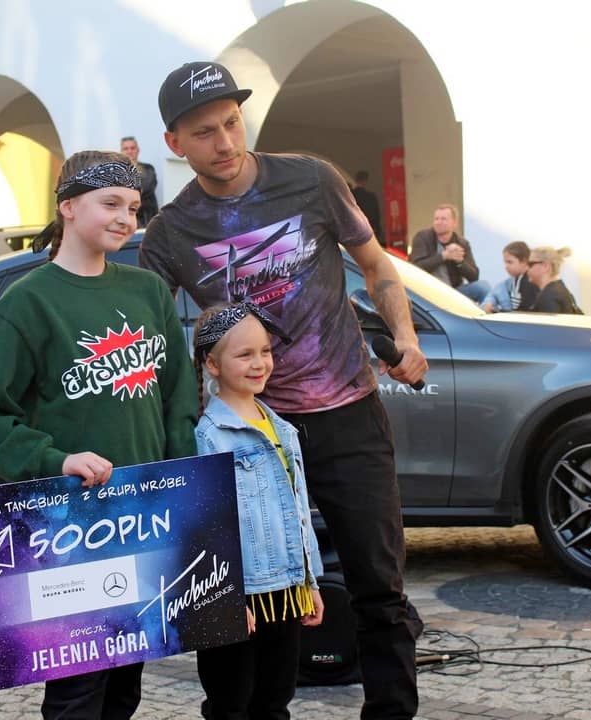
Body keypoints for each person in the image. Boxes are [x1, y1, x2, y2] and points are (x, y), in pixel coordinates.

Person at [140, 60, 427, 720]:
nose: (225, 142)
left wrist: (404, 335)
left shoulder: (310, 178)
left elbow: (375, 263)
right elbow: (151, 332)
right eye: (204, 132)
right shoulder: (173, 231)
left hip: (347, 411)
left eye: (232, 123)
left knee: (379, 586)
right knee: (250, 596)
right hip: (250, 434)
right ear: (174, 143)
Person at [0, 150, 199, 720]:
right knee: (78, 689)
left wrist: (181, 481)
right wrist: (55, 459)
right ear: (68, 206)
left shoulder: (149, 293)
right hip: (71, 527)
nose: (125, 218)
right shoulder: (27, 303)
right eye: (110, 204)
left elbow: (179, 401)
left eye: (133, 207)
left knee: (126, 686)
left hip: (147, 517)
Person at [192, 301, 325, 720]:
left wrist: (310, 582)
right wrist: (225, 597)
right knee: (230, 703)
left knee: (275, 700)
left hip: (286, 591)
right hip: (238, 595)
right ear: (212, 364)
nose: (259, 363)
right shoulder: (210, 436)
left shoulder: (282, 428)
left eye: (265, 351)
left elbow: (298, 511)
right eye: (245, 354)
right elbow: (207, 526)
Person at [409, 204, 491, 304]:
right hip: (429, 292)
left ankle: (484, 313)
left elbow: (474, 277)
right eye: (436, 219)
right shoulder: (423, 237)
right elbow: (415, 267)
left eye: (443, 219)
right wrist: (443, 256)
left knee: (483, 286)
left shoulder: (462, 243)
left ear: (454, 223)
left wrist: (460, 262)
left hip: (453, 292)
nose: (438, 222)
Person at [480, 241, 537, 313]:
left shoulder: (529, 282)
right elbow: (495, 292)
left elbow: (523, 312)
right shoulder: (514, 279)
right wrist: (489, 303)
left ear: (524, 262)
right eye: (505, 262)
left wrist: (498, 312)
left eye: (510, 262)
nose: (506, 266)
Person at [527, 246, 583, 314]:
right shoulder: (558, 289)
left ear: (545, 266)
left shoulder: (549, 296)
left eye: (530, 264)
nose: (526, 268)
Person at [120, 136, 159, 228]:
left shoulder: (148, 169)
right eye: (126, 149)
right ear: (121, 151)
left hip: (147, 220)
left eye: (132, 148)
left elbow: (146, 188)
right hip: (125, 220)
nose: (129, 151)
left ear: (138, 150)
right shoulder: (118, 171)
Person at [351, 170, 383, 243]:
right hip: (369, 230)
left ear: (356, 179)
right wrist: (377, 229)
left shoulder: (350, 196)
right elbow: (376, 216)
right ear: (366, 181)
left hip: (354, 230)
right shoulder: (371, 197)